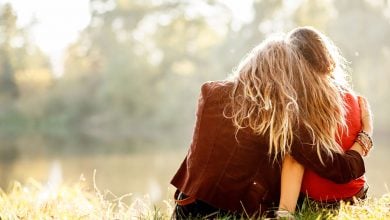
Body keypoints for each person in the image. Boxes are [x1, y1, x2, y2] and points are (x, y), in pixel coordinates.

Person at [170, 33, 371, 218]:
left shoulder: (210, 93)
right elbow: (341, 170)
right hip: (237, 214)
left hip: (185, 208)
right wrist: (365, 134)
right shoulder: (282, 116)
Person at [278, 27, 373, 216]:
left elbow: (296, 161)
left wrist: (285, 212)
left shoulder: (299, 104)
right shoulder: (353, 98)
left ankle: (284, 211)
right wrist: (367, 132)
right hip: (356, 196)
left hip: (319, 203)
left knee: (292, 151)